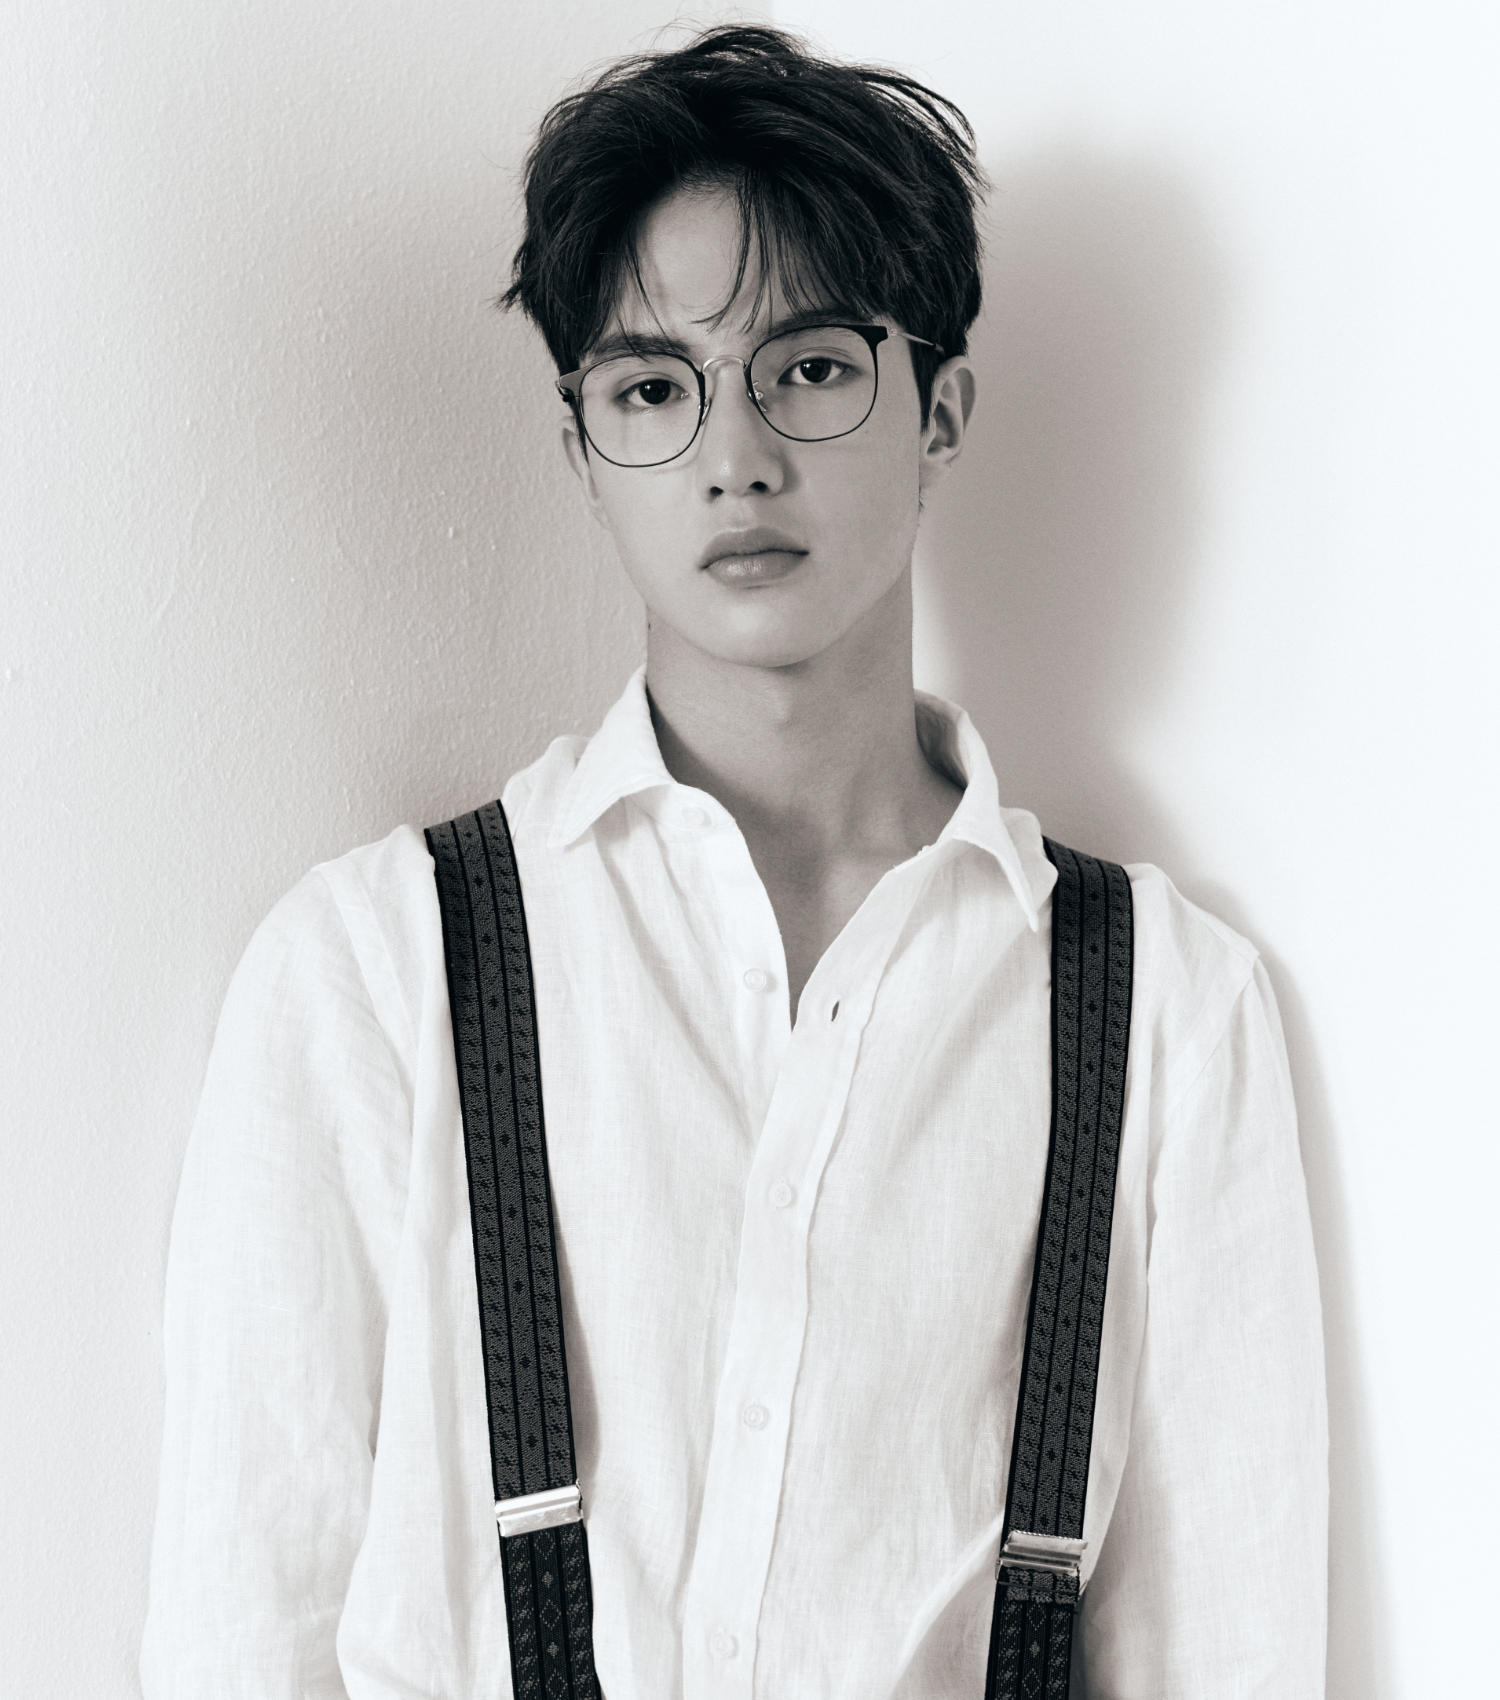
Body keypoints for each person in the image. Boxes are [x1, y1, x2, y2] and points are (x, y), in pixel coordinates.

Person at [140, 24, 1327, 1700]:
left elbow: (1230, 1651)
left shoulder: (1171, 1015)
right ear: (581, 450)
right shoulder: (373, 973)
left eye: (812, 368)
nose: (735, 453)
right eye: (653, 387)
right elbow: (238, 1636)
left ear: (940, 411)